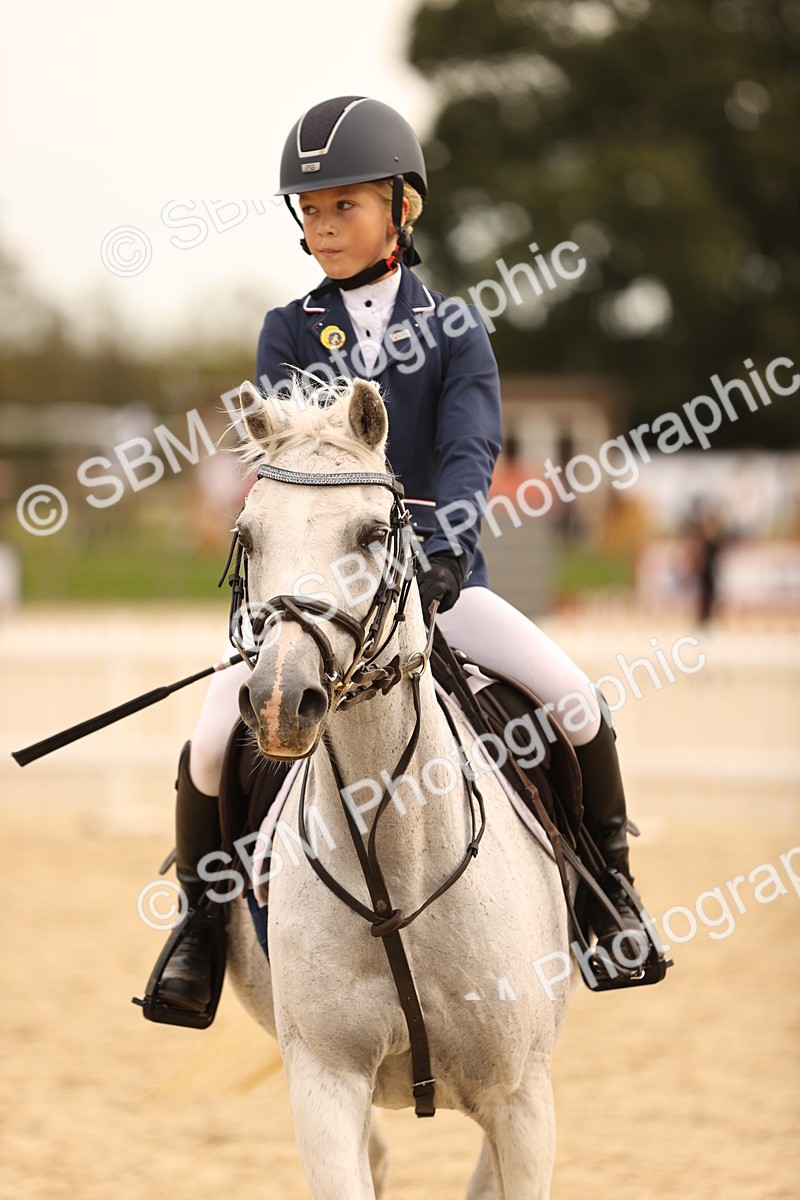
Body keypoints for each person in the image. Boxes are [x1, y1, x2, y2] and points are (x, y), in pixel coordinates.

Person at [156, 96, 648, 1014]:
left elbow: (468, 454)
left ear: (401, 209)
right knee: (213, 743)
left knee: (577, 706)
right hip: (320, 598)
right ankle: (196, 926)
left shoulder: (458, 329)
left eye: (343, 205)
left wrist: (447, 550)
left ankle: (608, 896)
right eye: (309, 210)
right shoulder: (289, 329)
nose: (322, 226)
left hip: (439, 582)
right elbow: (289, 457)